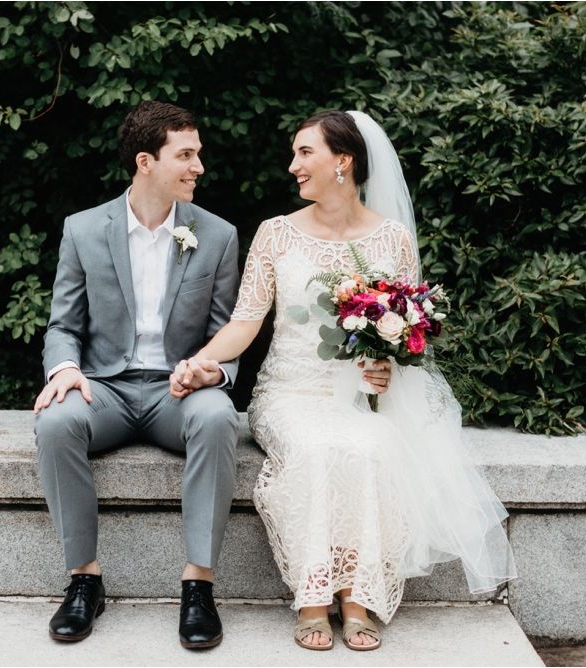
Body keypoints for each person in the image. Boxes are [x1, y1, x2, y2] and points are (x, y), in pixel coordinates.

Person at [171, 110, 517, 651]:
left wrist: (387, 364)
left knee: (373, 446)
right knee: (313, 449)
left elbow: (405, 331)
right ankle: (312, 599)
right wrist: (201, 363)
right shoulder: (275, 235)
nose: (293, 166)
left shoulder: (393, 239)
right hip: (288, 394)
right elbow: (245, 322)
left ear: (344, 162)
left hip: (361, 397)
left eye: (305, 153)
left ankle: (357, 598)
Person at [34, 100, 241, 649]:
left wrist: (207, 373)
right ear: (146, 161)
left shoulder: (217, 235)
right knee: (55, 422)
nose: (199, 167)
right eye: (187, 155)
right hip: (105, 389)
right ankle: (85, 580)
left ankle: (199, 586)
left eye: (199, 155)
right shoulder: (82, 231)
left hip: (181, 395)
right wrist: (64, 369)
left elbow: (229, 337)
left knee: (220, 418)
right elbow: (62, 324)